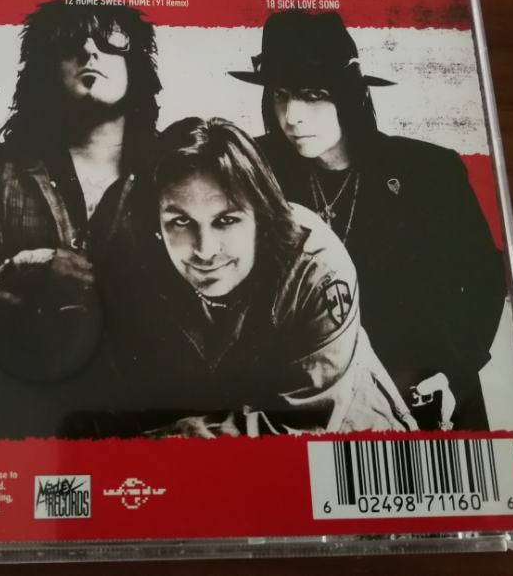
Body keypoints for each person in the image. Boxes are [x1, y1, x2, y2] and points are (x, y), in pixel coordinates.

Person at [229, 10, 506, 430]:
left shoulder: (427, 170)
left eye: (312, 94)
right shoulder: (255, 169)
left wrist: (452, 369)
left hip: (426, 395)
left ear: (349, 96)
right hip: (309, 404)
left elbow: (485, 279)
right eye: (280, 94)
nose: (292, 116)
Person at [100, 117, 415, 437]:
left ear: (261, 217)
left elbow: (306, 422)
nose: (205, 250)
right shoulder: (141, 256)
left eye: (226, 220)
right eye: (181, 222)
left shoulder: (316, 268)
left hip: (346, 440)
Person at [0, 0, 162, 439]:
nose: (90, 51)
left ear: (136, 65)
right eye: (71, 43)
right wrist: (33, 271)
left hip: (145, 428)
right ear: (44, 69)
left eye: (109, 42)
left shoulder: (171, 173)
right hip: (18, 428)